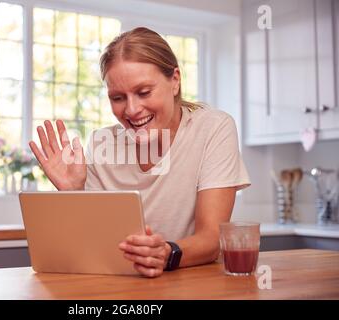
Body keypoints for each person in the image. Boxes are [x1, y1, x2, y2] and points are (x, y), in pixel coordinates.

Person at [29, 27, 251, 278]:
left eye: (144, 92)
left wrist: (167, 253)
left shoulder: (212, 128)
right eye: (118, 98)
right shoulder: (103, 144)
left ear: (175, 80)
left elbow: (212, 238)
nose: (132, 110)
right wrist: (72, 193)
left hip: (189, 283)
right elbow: (92, 248)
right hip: (120, 286)